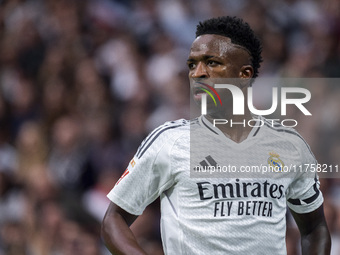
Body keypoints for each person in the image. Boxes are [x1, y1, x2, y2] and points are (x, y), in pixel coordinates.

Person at [101, 16, 331, 255]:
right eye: (192, 64)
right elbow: (113, 219)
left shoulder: (289, 146)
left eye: (211, 63)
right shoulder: (169, 141)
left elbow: (314, 228)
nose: (197, 74)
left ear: (244, 74)